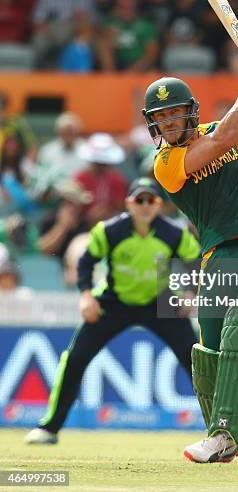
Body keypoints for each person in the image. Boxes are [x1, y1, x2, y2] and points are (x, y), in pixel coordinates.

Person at [143, 47, 238, 462]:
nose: (169, 123)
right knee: (208, 349)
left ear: (189, 112)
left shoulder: (217, 129)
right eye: (160, 118)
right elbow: (225, 139)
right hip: (216, 258)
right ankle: (227, 438)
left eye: (174, 114)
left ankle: (225, 433)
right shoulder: (166, 164)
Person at [25, 177, 201, 444]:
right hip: (113, 302)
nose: (144, 205)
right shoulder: (109, 231)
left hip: (160, 301)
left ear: (159, 205)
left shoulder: (174, 233)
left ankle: (220, 430)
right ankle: (49, 428)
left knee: (197, 361)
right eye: (138, 200)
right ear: (128, 203)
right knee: (74, 360)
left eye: (150, 200)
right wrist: (86, 296)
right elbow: (86, 263)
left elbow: (196, 264)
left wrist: (189, 293)